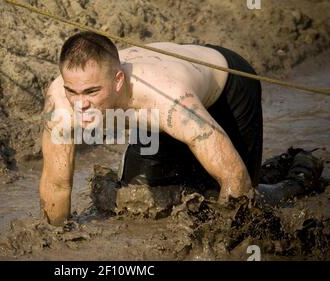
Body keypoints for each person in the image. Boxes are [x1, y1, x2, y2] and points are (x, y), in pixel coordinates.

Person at [40, 31, 263, 226]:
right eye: (72, 91)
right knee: (135, 201)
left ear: (118, 81)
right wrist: (55, 242)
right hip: (160, 107)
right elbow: (57, 184)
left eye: (91, 92)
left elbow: (234, 177)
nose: (80, 104)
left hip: (227, 86)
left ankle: (296, 177)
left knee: (245, 201)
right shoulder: (59, 101)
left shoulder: (168, 100)